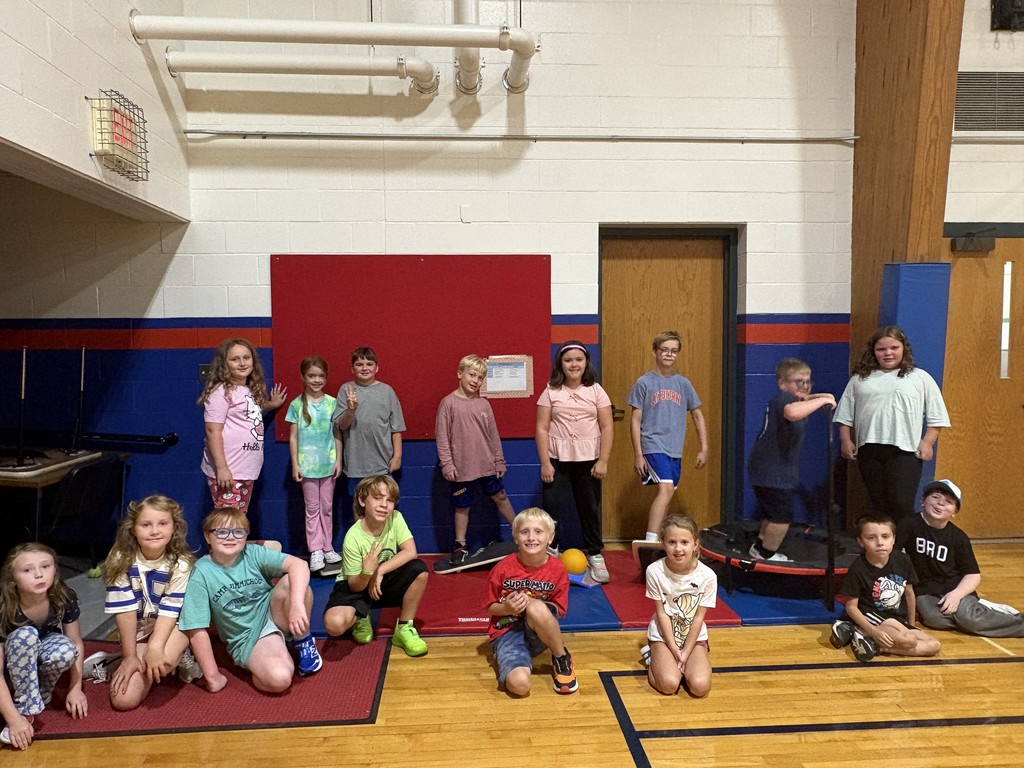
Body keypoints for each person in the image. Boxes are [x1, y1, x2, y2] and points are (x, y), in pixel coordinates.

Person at [177, 508, 323, 693]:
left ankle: (303, 641)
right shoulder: (202, 572)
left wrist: (295, 606)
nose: (230, 537)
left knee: (293, 582)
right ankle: (270, 655)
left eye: (238, 531)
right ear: (207, 537)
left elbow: (300, 565)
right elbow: (195, 627)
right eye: (221, 531)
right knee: (280, 680)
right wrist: (213, 677)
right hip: (247, 637)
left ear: (246, 536)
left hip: (272, 612)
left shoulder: (252, 553)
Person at [87, 495, 204, 710]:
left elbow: (171, 609)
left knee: (164, 660)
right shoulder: (120, 559)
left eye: (162, 524)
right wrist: (131, 657)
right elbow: (125, 610)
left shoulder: (181, 563)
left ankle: (178, 655)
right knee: (124, 701)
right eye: (146, 525)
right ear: (133, 529)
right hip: (139, 631)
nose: (154, 531)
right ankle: (113, 661)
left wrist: (156, 647)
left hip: (174, 628)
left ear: (174, 527)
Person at [834, 326, 950, 526]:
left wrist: (928, 442)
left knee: (900, 502)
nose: (888, 353)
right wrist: (846, 440)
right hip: (869, 450)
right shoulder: (860, 379)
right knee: (877, 502)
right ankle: (881, 547)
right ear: (873, 351)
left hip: (904, 451)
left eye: (894, 347)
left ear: (903, 348)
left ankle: (902, 548)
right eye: (881, 349)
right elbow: (844, 415)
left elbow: (937, 416)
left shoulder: (919, 377)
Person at [898, 479, 1023, 637]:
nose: (940, 504)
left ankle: (1018, 623)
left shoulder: (958, 537)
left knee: (971, 620)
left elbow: (973, 574)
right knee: (934, 619)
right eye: (935, 497)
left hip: (954, 587)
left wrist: (956, 595)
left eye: (948, 502)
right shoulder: (908, 524)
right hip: (924, 589)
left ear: (954, 512)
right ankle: (979, 611)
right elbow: (895, 554)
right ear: (923, 500)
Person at [322, 476, 429, 657]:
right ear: (362, 501)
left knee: (419, 570)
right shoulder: (353, 537)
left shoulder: (395, 518)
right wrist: (367, 572)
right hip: (355, 583)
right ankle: (361, 616)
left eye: (389, 500)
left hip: (381, 580)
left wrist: (379, 570)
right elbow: (355, 585)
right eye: (378, 498)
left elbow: (411, 551)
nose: (384, 505)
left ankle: (404, 628)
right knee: (334, 625)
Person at [535, 340, 614, 582]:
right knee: (552, 509)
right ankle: (550, 552)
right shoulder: (550, 392)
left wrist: (603, 460)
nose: (574, 364)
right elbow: (541, 428)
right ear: (560, 363)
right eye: (568, 360)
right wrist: (546, 462)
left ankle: (594, 553)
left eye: (579, 360)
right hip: (558, 460)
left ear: (586, 363)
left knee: (589, 509)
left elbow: (607, 426)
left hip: (589, 461)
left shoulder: (596, 391)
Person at [747, 358, 836, 561]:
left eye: (807, 381)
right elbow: (792, 412)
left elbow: (804, 400)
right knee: (782, 517)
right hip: (772, 471)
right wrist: (822, 401)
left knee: (772, 513)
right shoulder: (783, 400)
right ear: (782, 383)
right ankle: (766, 554)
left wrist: (821, 396)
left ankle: (760, 547)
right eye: (798, 382)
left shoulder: (793, 398)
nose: (804, 386)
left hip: (772, 470)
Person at [0, 543, 87, 750]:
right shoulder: (4, 606)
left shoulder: (63, 596)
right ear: (12, 577)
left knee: (66, 650)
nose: (39, 575)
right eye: (28, 570)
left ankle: (41, 691)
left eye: (45, 566)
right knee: (25, 635)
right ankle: (26, 708)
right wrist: (13, 718)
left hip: (40, 654)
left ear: (55, 569)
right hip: (10, 665)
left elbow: (75, 642)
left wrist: (76, 688)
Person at [628, 331, 709, 544]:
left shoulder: (683, 384)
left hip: (675, 447)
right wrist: (638, 453)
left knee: (669, 492)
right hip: (653, 443)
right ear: (654, 352)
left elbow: (697, 415)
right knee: (664, 490)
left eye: (674, 351)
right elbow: (635, 419)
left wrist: (704, 447)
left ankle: (662, 540)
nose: (669, 354)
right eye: (664, 350)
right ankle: (651, 541)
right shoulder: (644, 382)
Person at [435, 354, 516, 566]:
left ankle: (520, 531)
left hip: (487, 464)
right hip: (461, 469)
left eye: (480, 378)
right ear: (460, 374)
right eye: (472, 375)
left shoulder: (484, 404)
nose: (475, 381)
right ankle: (460, 546)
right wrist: (447, 464)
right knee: (462, 506)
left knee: (500, 495)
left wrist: (499, 460)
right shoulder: (448, 404)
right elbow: (442, 437)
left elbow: (493, 435)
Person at [485, 507, 575, 696]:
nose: (531, 538)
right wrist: (507, 608)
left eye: (538, 532)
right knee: (520, 687)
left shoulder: (557, 569)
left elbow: (558, 610)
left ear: (550, 538)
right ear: (516, 538)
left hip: (539, 632)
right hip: (507, 632)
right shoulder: (502, 568)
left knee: (535, 607)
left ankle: (561, 657)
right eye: (524, 532)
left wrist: (531, 603)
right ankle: (507, 657)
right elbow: (490, 607)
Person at [830, 515, 941, 662]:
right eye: (871, 538)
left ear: (894, 539)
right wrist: (873, 630)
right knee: (910, 641)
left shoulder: (903, 560)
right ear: (860, 542)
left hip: (897, 618)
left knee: (934, 646)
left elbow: (909, 593)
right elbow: (851, 607)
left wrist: (911, 625)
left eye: (885, 536)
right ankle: (861, 630)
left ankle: (873, 645)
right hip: (873, 616)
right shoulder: (858, 568)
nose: (880, 543)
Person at [198, 338, 286, 513]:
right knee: (226, 521)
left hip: (245, 469)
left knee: (239, 518)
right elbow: (212, 430)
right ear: (224, 364)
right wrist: (222, 468)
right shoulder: (221, 391)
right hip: (229, 471)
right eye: (235, 359)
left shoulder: (249, 390)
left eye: (246, 357)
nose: (242, 363)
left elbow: (252, 408)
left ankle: (238, 541)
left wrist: (272, 405)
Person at [641, 514, 716, 697]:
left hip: (693, 637)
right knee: (669, 685)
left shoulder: (708, 576)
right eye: (672, 542)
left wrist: (686, 652)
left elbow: (698, 618)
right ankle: (653, 658)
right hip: (664, 635)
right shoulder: (654, 571)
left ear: (695, 544)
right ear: (662, 543)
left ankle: (692, 663)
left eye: (684, 542)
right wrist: (674, 649)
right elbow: (662, 614)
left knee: (699, 687)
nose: (678, 548)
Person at [286, 355, 343, 573]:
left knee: (327, 507)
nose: (316, 380)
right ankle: (315, 549)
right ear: (303, 377)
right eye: (311, 376)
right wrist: (295, 464)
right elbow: (293, 437)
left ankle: (328, 547)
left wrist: (338, 460)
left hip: (328, 465)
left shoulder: (332, 403)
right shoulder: (296, 405)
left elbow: (338, 434)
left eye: (320, 376)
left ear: (326, 378)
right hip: (307, 467)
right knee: (312, 509)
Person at [332, 347, 406, 505]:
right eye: (359, 364)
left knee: (383, 504)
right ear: (352, 368)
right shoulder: (346, 390)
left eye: (369, 364)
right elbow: (341, 426)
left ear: (376, 367)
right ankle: (362, 531)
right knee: (360, 506)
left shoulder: (387, 392)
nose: (364, 368)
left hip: (382, 464)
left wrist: (397, 457)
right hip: (356, 464)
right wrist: (351, 410)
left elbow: (396, 428)